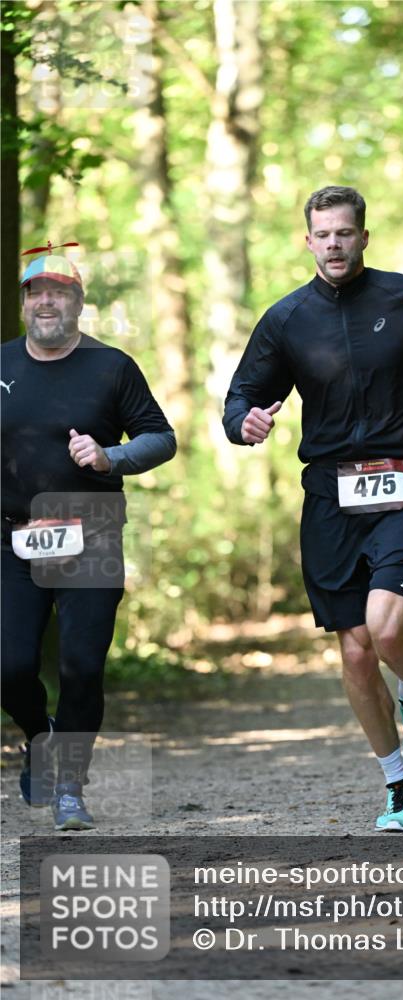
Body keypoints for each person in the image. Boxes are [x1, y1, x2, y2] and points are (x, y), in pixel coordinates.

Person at [224, 186, 403, 832]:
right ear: (306, 241)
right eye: (323, 234)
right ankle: (397, 786)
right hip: (329, 497)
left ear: (363, 237)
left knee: (388, 630)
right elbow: (239, 399)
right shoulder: (286, 320)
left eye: (345, 233)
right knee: (356, 653)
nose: (334, 244)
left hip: (400, 482)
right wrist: (246, 423)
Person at [1, 246, 176, 830]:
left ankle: (70, 786)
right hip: (11, 541)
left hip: (90, 535)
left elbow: (160, 437)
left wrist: (111, 456)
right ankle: (41, 738)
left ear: (78, 301)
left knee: (80, 666)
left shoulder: (112, 367)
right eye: (35, 292)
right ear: (23, 303)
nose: (46, 301)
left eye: (58, 290)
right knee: (9, 666)